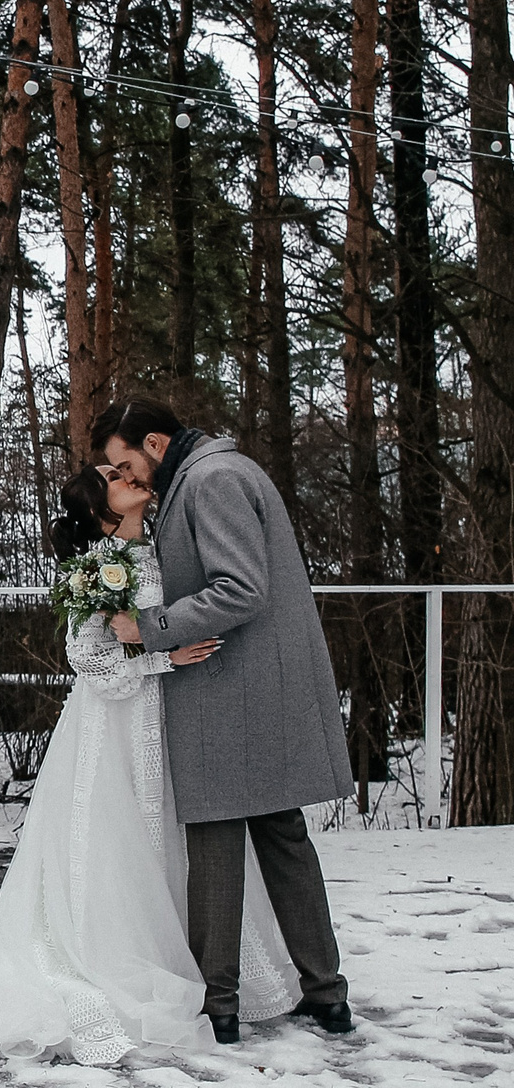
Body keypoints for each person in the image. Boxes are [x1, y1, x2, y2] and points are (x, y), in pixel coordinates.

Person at [0, 463, 300, 1065]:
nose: (131, 475)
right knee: (120, 839)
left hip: (172, 718)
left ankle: (197, 958)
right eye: (116, 478)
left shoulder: (162, 547)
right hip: (115, 725)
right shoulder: (96, 567)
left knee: (178, 836)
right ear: (102, 510)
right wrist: (166, 662)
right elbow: (91, 664)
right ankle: (122, 955)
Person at [91, 397, 354, 1043]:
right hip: (250, 687)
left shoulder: (212, 479)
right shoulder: (212, 473)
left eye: (126, 462)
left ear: (155, 442)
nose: (129, 478)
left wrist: (150, 628)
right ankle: (326, 996)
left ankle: (224, 1007)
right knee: (282, 835)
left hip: (231, 686)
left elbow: (241, 587)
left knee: (217, 839)